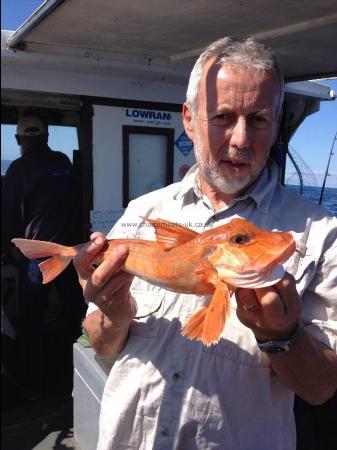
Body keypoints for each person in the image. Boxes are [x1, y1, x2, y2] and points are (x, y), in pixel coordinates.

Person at [74, 37, 337, 450]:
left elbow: (322, 389)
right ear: (190, 119)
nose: (240, 139)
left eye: (260, 120)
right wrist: (112, 309)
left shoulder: (321, 233)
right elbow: (103, 345)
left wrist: (282, 335)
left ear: (277, 124)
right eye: (223, 116)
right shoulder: (143, 212)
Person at [3, 116, 87, 399]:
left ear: (18, 140)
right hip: (69, 253)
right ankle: (80, 375)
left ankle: (35, 385)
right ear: (47, 136)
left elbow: (8, 215)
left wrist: (10, 251)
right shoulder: (64, 162)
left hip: (37, 259)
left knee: (31, 320)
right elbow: (79, 203)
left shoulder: (17, 169)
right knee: (76, 314)